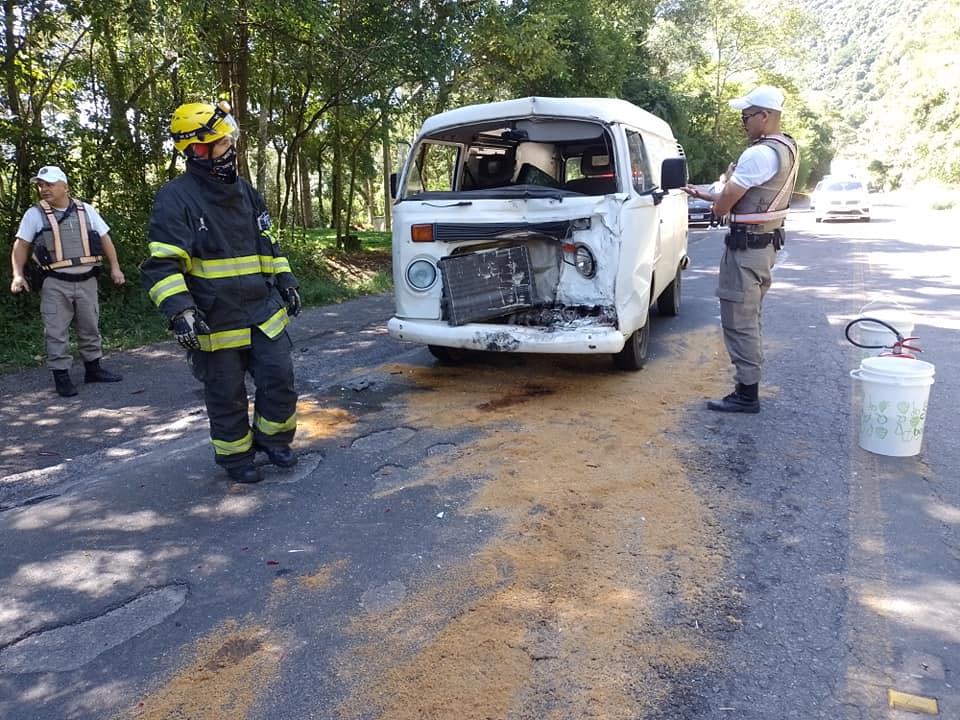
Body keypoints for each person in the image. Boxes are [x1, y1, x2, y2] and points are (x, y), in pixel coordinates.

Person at [141, 100, 302, 484]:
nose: (230, 147)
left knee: (279, 378)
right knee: (226, 394)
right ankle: (236, 458)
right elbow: (162, 264)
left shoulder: (246, 190)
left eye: (229, 139)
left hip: (264, 312)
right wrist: (181, 311)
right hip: (216, 319)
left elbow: (268, 242)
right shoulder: (175, 198)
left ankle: (274, 440)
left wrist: (286, 279)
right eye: (221, 142)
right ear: (198, 150)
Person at [683, 85, 799, 413]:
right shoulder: (785, 147)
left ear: (766, 116)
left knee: (739, 318)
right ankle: (748, 386)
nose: (743, 123)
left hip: (747, 250)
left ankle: (747, 394)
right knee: (750, 315)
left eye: (747, 117)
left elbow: (723, 208)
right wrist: (711, 192)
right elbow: (746, 197)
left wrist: (723, 190)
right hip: (764, 246)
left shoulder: (758, 154)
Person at [9, 166, 125, 397]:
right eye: (41, 185)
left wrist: (115, 268)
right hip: (54, 282)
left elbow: (105, 239)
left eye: (49, 184)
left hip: (87, 280)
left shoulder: (86, 210)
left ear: (65, 186)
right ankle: (61, 376)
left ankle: (93, 369)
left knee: (90, 326)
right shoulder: (34, 214)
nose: (44, 189)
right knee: (56, 329)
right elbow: (21, 245)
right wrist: (18, 275)